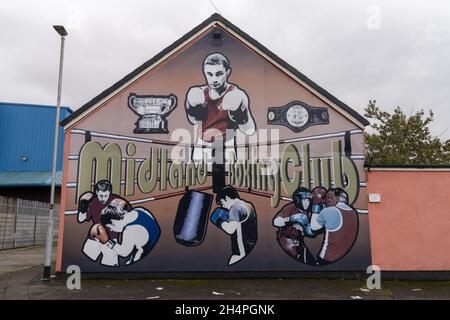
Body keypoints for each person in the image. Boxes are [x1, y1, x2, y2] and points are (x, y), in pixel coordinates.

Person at [185, 53, 256, 163]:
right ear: (204, 72)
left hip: (227, 145)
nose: (214, 79)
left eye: (219, 74)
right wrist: (190, 107)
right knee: (200, 179)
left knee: (226, 179)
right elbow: (192, 120)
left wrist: (240, 113)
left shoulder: (237, 94)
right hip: (202, 145)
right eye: (210, 74)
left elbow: (249, 130)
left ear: (227, 72)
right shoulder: (200, 94)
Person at [296, 188, 359, 265]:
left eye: (327, 199)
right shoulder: (353, 213)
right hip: (344, 259)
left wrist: (316, 203)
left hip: (327, 258)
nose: (325, 202)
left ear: (332, 199)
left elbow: (313, 228)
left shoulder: (329, 211)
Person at [77, 180, 131, 266]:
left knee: (110, 264)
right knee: (86, 260)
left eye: (106, 195)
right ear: (97, 192)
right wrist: (83, 207)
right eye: (101, 195)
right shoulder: (93, 202)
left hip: (111, 238)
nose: (103, 198)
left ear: (109, 192)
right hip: (95, 235)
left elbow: (129, 218)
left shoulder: (117, 202)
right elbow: (80, 219)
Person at [92, 200, 161, 266]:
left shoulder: (129, 230)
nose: (111, 230)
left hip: (141, 256)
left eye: (110, 227)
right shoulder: (138, 210)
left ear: (113, 221)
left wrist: (107, 241)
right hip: (153, 243)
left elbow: (124, 253)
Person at [210, 185, 257, 266]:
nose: (223, 206)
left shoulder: (235, 208)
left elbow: (230, 230)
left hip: (241, 250)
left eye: (222, 203)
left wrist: (218, 220)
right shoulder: (248, 205)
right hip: (251, 243)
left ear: (227, 198)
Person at [273, 187, 316, 265]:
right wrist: (290, 219)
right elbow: (276, 222)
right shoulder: (290, 208)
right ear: (298, 200)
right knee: (298, 258)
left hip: (297, 240)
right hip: (286, 239)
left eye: (308, 200)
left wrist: (304, 230)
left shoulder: (305, 211)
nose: (306, 203)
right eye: (304, 200)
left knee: (310, 260)